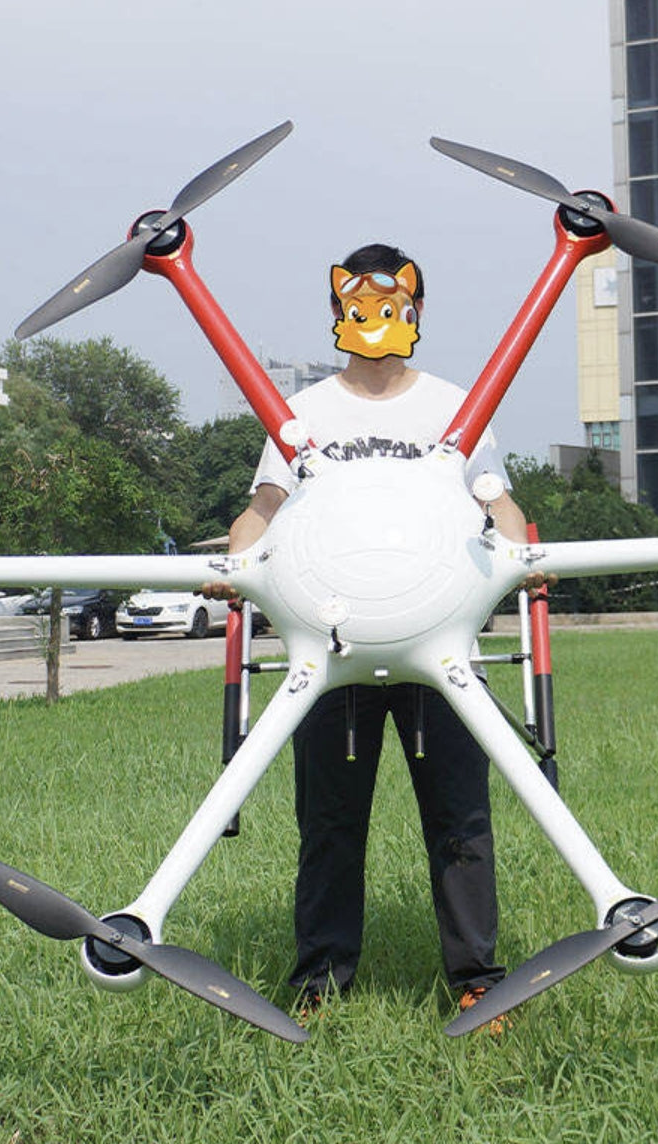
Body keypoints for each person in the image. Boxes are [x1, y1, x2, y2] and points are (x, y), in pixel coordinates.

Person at [205, 243, 535, 1025]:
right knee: (328, 824)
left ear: (415, 311)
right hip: (333, 649)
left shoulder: (456, 407)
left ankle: (480, 981)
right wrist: (233, 559)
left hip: (439, 648)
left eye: (393, 306)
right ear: (336, 312)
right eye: (355, 306)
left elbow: (498, 504)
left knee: (460, 821)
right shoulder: (303, 415)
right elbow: (263, 508)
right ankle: (319, 984)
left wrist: (522, 553)